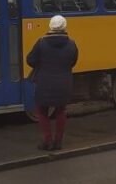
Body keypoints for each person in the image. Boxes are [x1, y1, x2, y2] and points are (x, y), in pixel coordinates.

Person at [26, 15, 79, 151]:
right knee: (61, 111)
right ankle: (58, 142)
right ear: (64, 27)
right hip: (64, 83)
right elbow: (73, 61)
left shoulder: (41, 43)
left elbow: (30, 60)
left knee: (42, 111)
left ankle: (48, 141)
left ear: (50, 26)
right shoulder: (72, 44)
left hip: (44, 82)